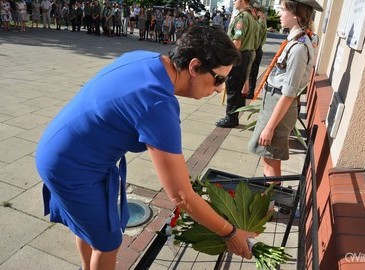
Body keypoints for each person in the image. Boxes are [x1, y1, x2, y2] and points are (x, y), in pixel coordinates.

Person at [35, 26, 257, 270]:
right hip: (72, 167)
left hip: (62, 148)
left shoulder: (145, 58)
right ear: (194, 67)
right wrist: (230, 232)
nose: (219, 89)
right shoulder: (158, 102)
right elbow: (182, 196)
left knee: (90, 229)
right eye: (219, 79)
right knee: (107, 243)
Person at [247, 0, 323, 182]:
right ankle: (270, 200)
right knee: (268, 157)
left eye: (282, 10)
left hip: (279, 106)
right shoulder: (295, 41)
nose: (279, 14)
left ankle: (271, 203)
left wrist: (270, 128)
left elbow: (289, 93)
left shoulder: (298, 48)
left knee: (270, 160)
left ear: (296, 14)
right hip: (273, 103)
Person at [215, 0, 258, 128]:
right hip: (247, 54)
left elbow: (237, 42)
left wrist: (227, 59)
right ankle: (236, 113)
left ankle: (231, 118)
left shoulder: (242, 18)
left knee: (232, 86)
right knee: (238, 86)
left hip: (239, 56)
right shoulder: (251, 16)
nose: (234, 1)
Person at [242, 4, 267, 99]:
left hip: (255, 49)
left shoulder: (259, 23)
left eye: (254, 11)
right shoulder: (261, 22)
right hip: (257, 49)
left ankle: (250, 92)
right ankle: (249, 92)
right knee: (252, 72)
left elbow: (257, 37)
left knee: (251, 72)